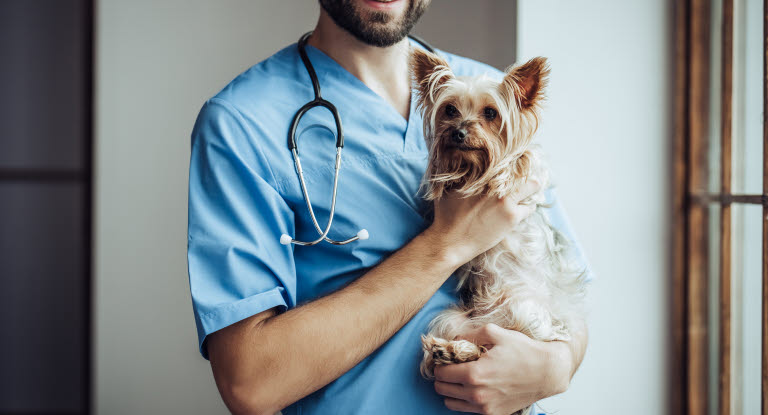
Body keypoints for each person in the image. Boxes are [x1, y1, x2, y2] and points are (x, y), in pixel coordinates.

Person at [187, 1, 591, 413]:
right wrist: (449, 242)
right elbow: (249, 384)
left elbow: (567, 291)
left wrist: (555, 367)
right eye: (450, 113)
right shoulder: (240, 123)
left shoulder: (489, 92)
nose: (464, 121)